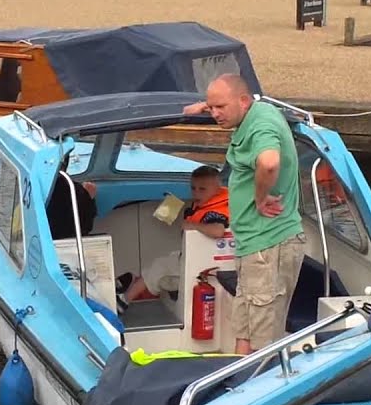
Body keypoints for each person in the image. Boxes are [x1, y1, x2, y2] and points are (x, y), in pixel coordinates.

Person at [184, 74, 304, 355]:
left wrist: (260, 199)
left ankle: (262, 390)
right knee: (245, 326)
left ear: (243, 101)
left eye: (219, 108)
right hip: (253, 246)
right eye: (211, 107)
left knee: (263, 339)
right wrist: (205, 104)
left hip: (268, 246)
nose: (214, 114)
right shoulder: (257, 109)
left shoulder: (261, 126)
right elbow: (234, 98)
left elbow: (269, 162)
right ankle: (239, 383)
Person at [120, 165, 231, 303]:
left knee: (158, 266)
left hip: (202, 266)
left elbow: (218, 231)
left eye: (202, 189)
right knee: (167, 259)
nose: (196, 194)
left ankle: (124, 300)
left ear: (218, 188)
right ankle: (132, 281)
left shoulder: (216, 212)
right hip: (195, 258)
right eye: (193, 188)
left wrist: (192, 225)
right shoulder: (208, 203)